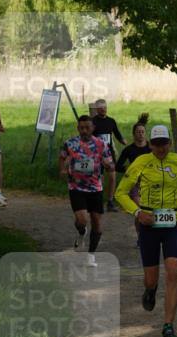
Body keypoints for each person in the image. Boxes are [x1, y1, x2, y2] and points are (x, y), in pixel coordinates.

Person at [115, 124, 177, 337]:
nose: (161, 148)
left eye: (164, 144)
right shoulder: (141, 162)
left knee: (173, 272)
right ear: (150, 145)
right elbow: (120, 193)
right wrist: (138, 213)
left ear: (170, 143)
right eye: (156, 144)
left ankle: (168, 326)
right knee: (151, 279)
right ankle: (150, 290)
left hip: (172, 225)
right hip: (149, 226)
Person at [59, 115, 115, 267]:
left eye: (87, 128)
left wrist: (109, 166)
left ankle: (91, 255)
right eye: (81, 128)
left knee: (96, 223)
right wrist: (62, 169)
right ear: (78, 128)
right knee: (82, 220)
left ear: (93, 128)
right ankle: (81, 231)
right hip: (76, 187)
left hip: (95, 188)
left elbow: (110, 164)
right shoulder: (70, 143)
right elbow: (62, 157)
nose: (84, 130)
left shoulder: (101, 144)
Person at [115, 113, 150, 245]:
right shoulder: (128, 150)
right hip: (134, 183)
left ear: (145, 133)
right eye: (138, 132)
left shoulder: (151, 148)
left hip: (150, 183)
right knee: (140, 209)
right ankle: (141, 237)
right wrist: (129, 169)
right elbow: (118, 166)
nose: (140, 134)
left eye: (142, 132)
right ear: (134, 134)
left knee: (149, 210)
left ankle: (148, 235)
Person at [90, 98, 126, 211]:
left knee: (112, 177)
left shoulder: (111, 121)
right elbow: (88, 137)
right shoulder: (92, 122)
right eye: (101, 108)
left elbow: (117, 133)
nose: (103, 109)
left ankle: (110, 201)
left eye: (105, 107)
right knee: (99, 178)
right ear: (97, 109)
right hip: (96, 153)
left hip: (109, 153)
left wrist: (123, 141)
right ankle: (97, 201)